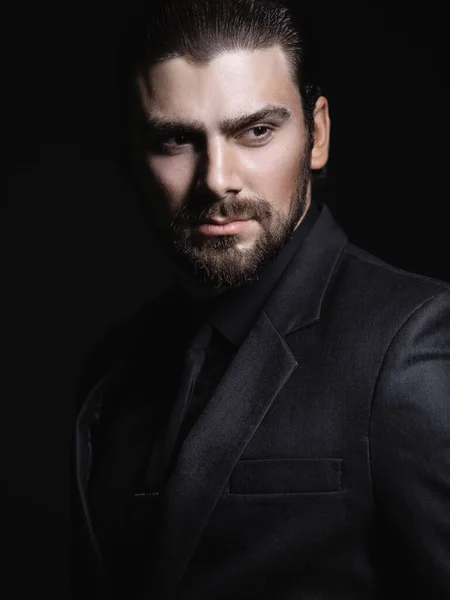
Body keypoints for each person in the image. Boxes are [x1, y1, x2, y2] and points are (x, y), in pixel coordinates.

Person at [71, 1, 450, 598]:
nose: (217, 179)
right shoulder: (110, 373)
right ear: (127, 150)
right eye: (175, 139)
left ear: (317, 135)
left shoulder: (409, 347)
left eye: (256, 131)